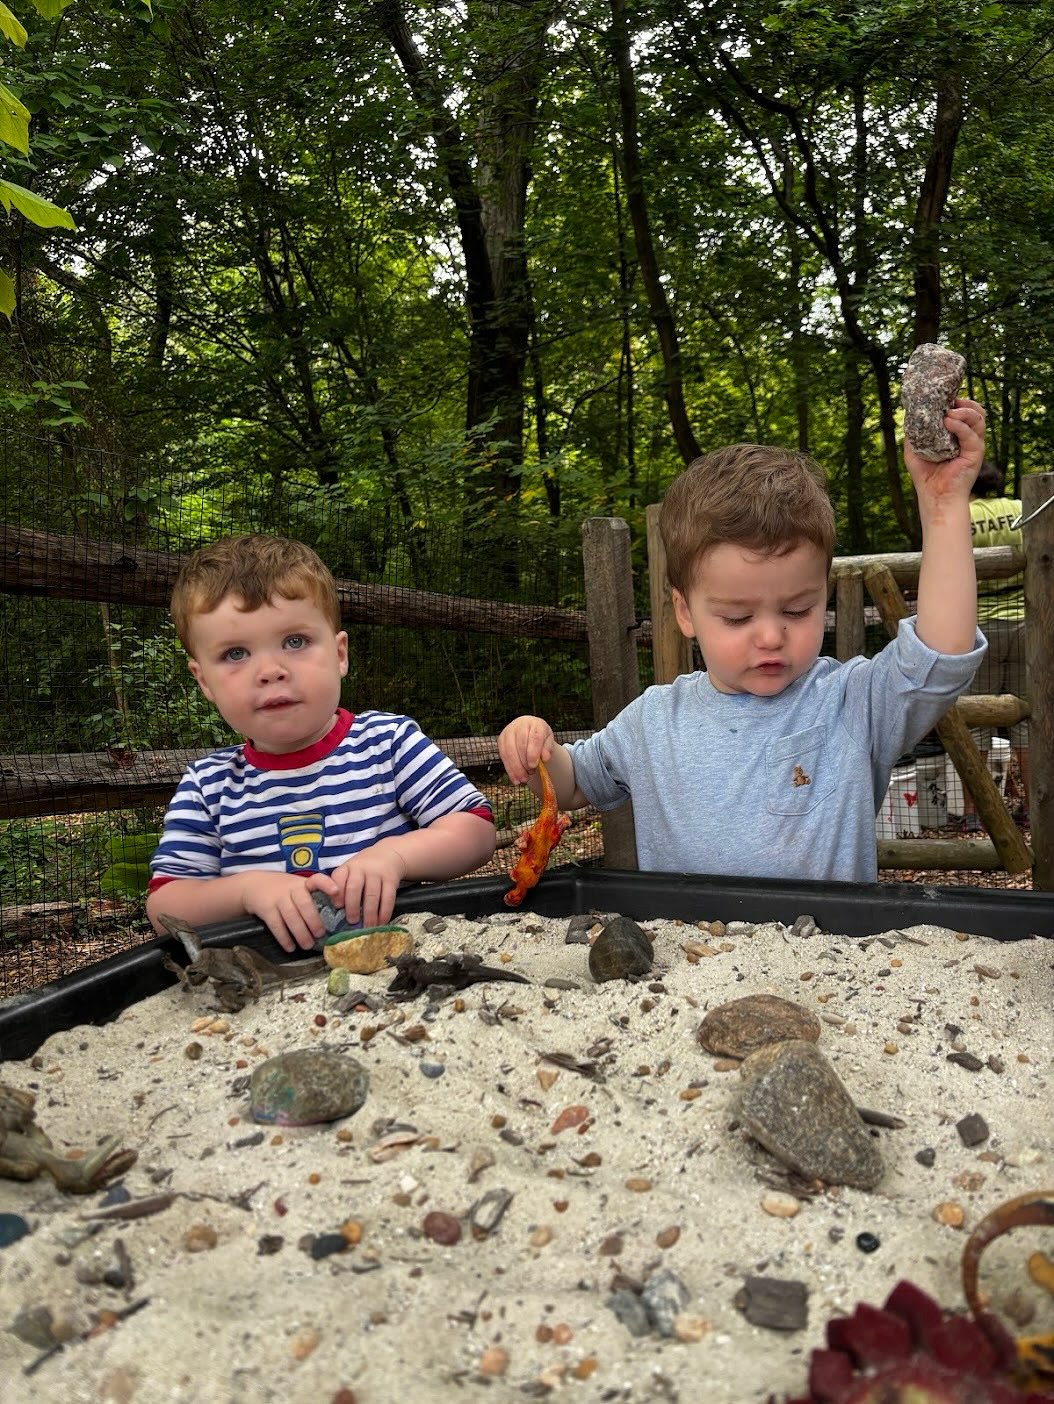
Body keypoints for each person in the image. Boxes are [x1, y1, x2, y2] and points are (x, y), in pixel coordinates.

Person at [499, 401, 988, 885]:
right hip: (688, 960)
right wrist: (539, 748)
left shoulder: (853, 705)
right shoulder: (652, 723)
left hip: (825, 958)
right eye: (737, 616)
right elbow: (575, 783)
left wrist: (943, 504)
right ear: (685, 612)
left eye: (798, 610)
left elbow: (940, 655)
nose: (772, 635)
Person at [147, 534, 496, 951]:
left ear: (339, 654)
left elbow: (475, 830)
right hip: (268, 984)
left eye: (295, 642)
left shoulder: (388, 744)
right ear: (203, 680)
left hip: (396, 961)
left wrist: (395, 856)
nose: (271, 670)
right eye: (236, 654)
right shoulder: (208, 786)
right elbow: (165, 908)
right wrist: (247, 891)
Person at [959, 459, 1027, 830]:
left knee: (975, 721)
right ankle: (1035, 809)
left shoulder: (959, 515)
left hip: (980, 626)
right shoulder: (1020, 509)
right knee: (1028, 720)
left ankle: (975, 813)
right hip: (1024, 622)